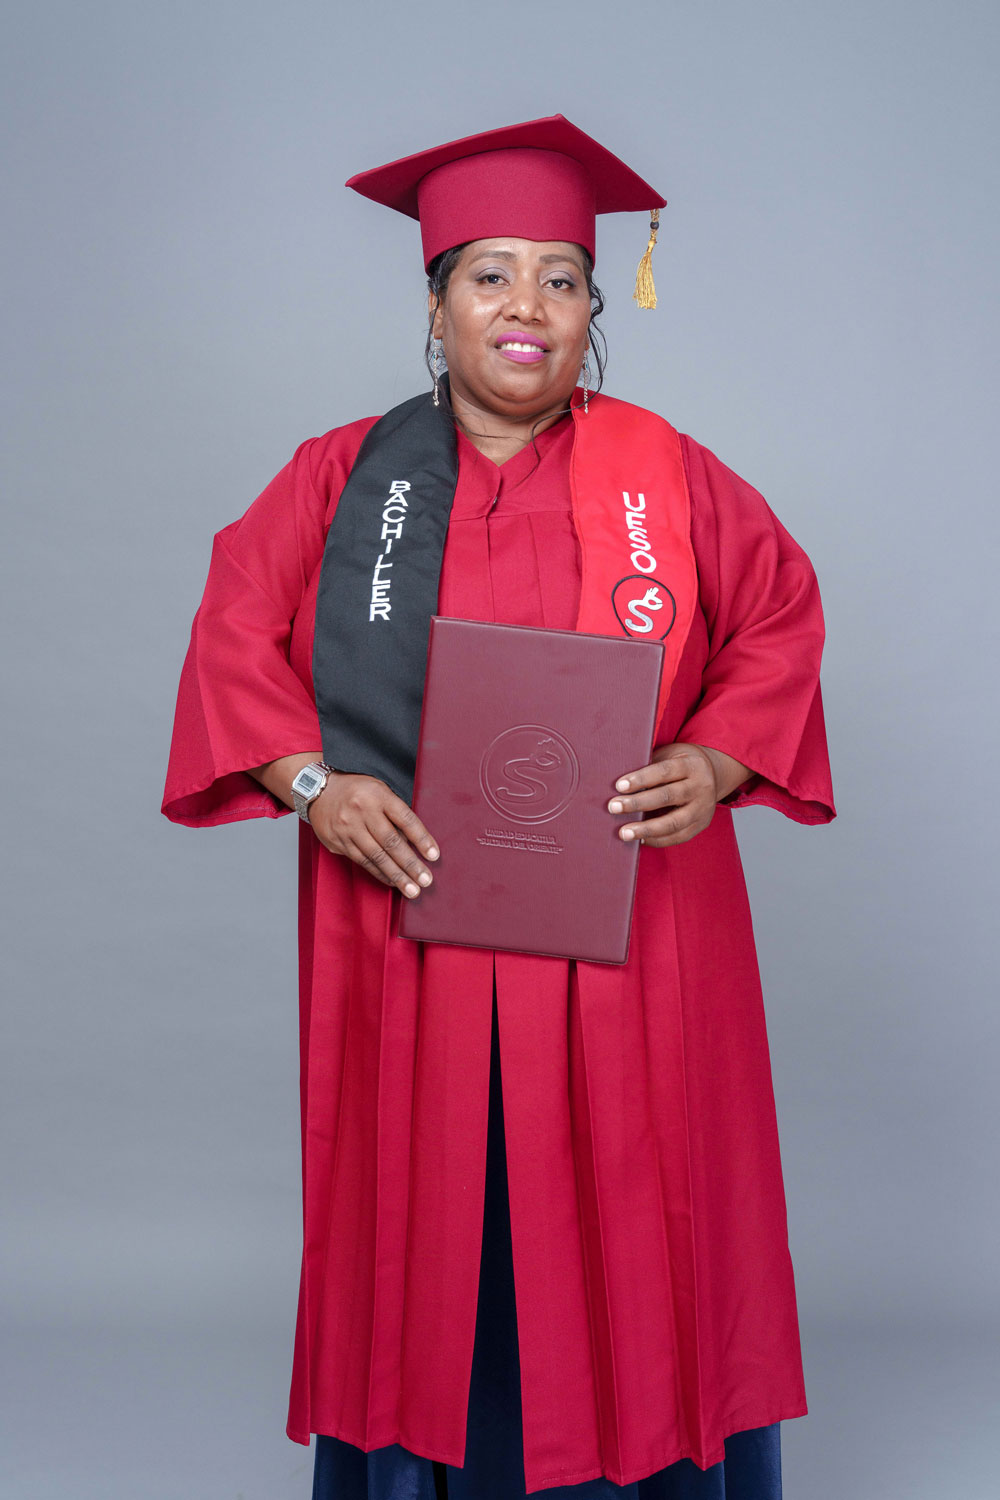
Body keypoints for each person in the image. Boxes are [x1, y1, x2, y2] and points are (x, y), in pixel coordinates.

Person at [162, 114, 836, 1500]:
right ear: (435, 304)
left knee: (645, 1213)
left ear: (595, 310)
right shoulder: (340, 479)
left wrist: (716, 762)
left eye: (562, 278)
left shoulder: (670, 476)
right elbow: (233, 637)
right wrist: (314, 784)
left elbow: (777, 619)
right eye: (490, 275)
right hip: (410, 937)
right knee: (426, 1223)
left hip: (634, 937)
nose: (527, 306)